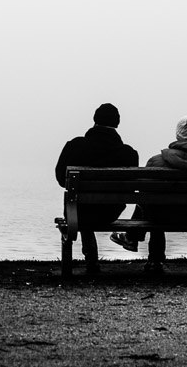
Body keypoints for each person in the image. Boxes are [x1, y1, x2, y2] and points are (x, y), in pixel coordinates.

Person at [109, 116, 187, 273]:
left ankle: (154, 260)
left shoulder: (157, 162)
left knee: (154, 203)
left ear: (178, 136)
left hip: (162, 216)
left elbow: (143, 194)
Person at [55, 103, 140, 275]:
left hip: (78, 212)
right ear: (117, 123)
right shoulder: (129, 153)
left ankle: (91, 261)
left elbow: (60, 179)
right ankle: (92, 261)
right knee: (89, 206)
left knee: (81, 205)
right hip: (110, 212)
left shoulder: (75, 146)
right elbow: (133, 185)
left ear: (94, 120)